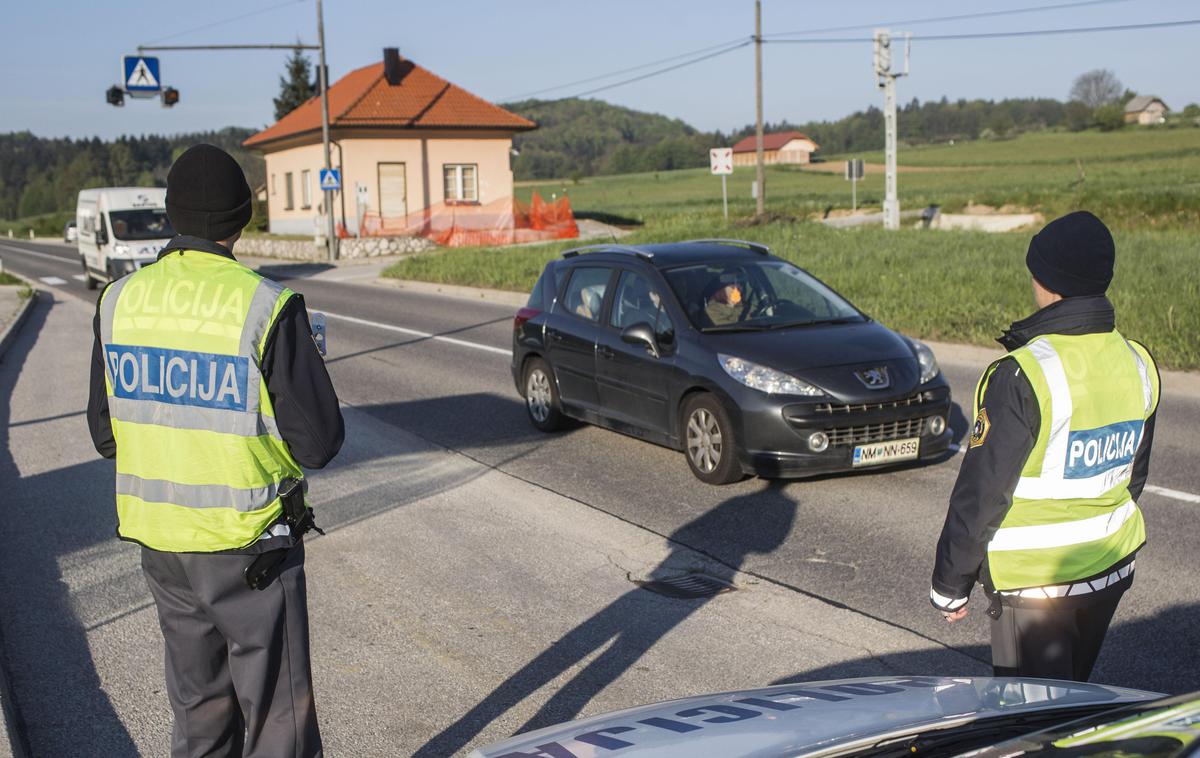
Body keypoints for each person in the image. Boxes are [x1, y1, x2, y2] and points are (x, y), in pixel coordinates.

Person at [87, 144, 344, 756]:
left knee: (199, 715)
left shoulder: (118, 302)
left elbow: (105, 432)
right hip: (249, 544)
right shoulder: (265, 306)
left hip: (163, 547)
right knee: (277, 720)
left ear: (172, 215)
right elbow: (319, 442)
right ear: (241, 219)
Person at [929, 211, 1160, 682]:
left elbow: (984, 491)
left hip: (1035, 585)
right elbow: (1133, 474)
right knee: (1070, 702)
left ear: (1046, 280)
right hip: (1110, 568)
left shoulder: (1022, 372)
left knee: (1029, 723)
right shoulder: (1137, 360)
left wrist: (951, 584)